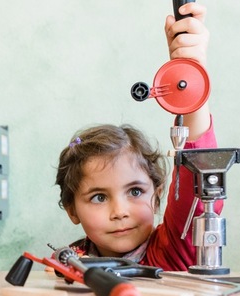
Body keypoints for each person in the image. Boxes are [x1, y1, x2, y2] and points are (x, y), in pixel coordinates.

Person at [54, 2, 213, 272]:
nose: (120, 212)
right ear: (71, 210)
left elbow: (195, 178)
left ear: (159, 196)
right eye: (99, 197)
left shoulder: (173, 249)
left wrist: (189, 71)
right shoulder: (70, 263)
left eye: (136, 191)